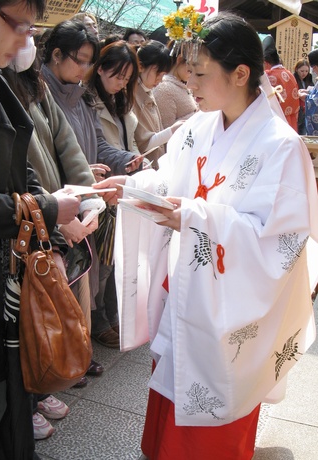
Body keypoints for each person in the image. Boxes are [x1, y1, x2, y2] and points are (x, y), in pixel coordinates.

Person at [94, 8, 318, 459]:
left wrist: (196, 217)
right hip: (189, 286)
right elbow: (168, 182)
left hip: (230, 305)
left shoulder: (281, 146)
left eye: (198, 73)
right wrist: (133, 188)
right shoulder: (198, 125)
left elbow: (282, 244)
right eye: (187, 72)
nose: (189, 84)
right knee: (171, 393)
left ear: (240, 73)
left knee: (215, 407)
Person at [0, 1, 81, 459]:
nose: (25, 42)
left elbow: (21, 167)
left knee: (0, 402)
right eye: (19, 26)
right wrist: (49, 208)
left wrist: (57, 208)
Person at [2, 38, 105, 439]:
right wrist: (53, 215)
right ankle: (26, 393)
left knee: (48, 305)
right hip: (30, 217)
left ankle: (41, 379)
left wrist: (88, 200)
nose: (23, 39)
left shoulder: (35, 86)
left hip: (49, 212)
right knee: (27, 312)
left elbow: (68, 148)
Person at [40, 19, 143, 348]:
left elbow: (98, 146)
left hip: (83, 201)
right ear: (56, 55)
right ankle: (61, 356)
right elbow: (47, 158)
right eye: (81, 60)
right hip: (58, 201)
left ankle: (75, 350)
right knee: (58, 282)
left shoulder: (81, 99)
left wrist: (125, 159)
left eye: (89, 61)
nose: (86, 68)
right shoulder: (40, 94)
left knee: (82, 277)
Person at [86, 40, 140, 347]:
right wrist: (126, 158)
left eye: (126, 78)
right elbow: (101, 146)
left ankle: (110, 315)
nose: (122, 83)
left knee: (115, 259)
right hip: (104, 187)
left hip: (123, 183)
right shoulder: (89, 99)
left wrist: (132, 158)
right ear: (101, 69)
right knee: (103, 263)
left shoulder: (117, 101)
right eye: (118, 76)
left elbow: (126, 141)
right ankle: (100, 321)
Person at [134, 40, 184, 169]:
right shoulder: (132, 95)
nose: (160, 80)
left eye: (163, 75)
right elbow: (142, 144)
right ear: (140, 66)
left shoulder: (148, 91)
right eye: (158, 73)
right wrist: (173, 130)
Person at [153, 40, 199, 129]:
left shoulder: (181, 84)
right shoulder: (164, 89)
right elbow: (165, 130)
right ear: (180, 59)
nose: (192, 74)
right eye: (190, 70)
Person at [263, 35, 300, 131]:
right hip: (291, 121)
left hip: (275, 121)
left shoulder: (268, 75)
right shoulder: (290, 74)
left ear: (266, 63)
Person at [294, 59, 314, 135]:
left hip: (306, 108)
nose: (304, 73)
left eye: (306, 71)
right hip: (297, 108)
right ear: (296, 69)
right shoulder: (293, 78)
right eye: (302, 71)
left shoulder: (309, 78)